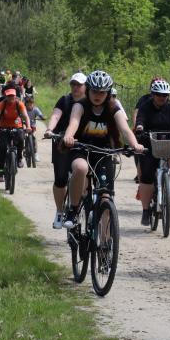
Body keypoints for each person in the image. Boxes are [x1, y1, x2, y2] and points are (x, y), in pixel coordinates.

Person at [61, 70, 144, 229]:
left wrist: (135, 144)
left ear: (108, 93)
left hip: (104, 152)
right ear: (88, 90)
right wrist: (69, 136)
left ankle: (105, 240)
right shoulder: (80, 105)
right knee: (80, 167)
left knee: (106, 197)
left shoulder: (113, 107)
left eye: (102, 92)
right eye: (94, 91)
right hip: (81, 148)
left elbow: (125, 130)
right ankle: (73, 209)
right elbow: (74, 123)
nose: (97, 95)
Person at [133, 79, 170, 225]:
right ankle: (145, 211)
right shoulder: (145, 107)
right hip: (149, 144)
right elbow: (140, 120)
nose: (162, 97)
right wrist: (140, 127)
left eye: (165, 95)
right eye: (159, 94)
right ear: (153, 94)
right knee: (146, 177)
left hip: (167, 144)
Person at [43, 72, 87, 228]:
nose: (75, 87)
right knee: (60, 179)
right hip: (62, 141)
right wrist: (50, 129)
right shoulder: (65, 100)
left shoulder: (89, 103)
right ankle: (60, 211)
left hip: (82, 143)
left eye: (79, 85)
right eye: (73, 84)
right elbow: (56, 115)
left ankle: (85, 205)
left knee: (86, 173)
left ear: (86, 87)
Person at [0, 87, 31, 181]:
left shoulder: (19, 104)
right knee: (2, 148)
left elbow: (26, 116)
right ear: (6, 96)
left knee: (21, 139)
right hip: (3, 128)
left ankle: (19, 158)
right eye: (9, 96)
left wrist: (28, 126)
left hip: (17, 127)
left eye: (12, 96)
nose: (11, 97)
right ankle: (0, 173)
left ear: (15, 96)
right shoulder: (1, 104)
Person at [24, 96, 44, 162]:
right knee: (22, 136)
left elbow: (40, 114)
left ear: (33, 104)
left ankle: (35, 154)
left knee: (34, 137)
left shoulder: (35, 109)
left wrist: (42, 117)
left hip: (32, 126)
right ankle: (23, 150)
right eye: (28, 104)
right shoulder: (23, 109)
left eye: (31, 104)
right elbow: (19, 114)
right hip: (24, 125)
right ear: (25, 104)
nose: (29, 106)